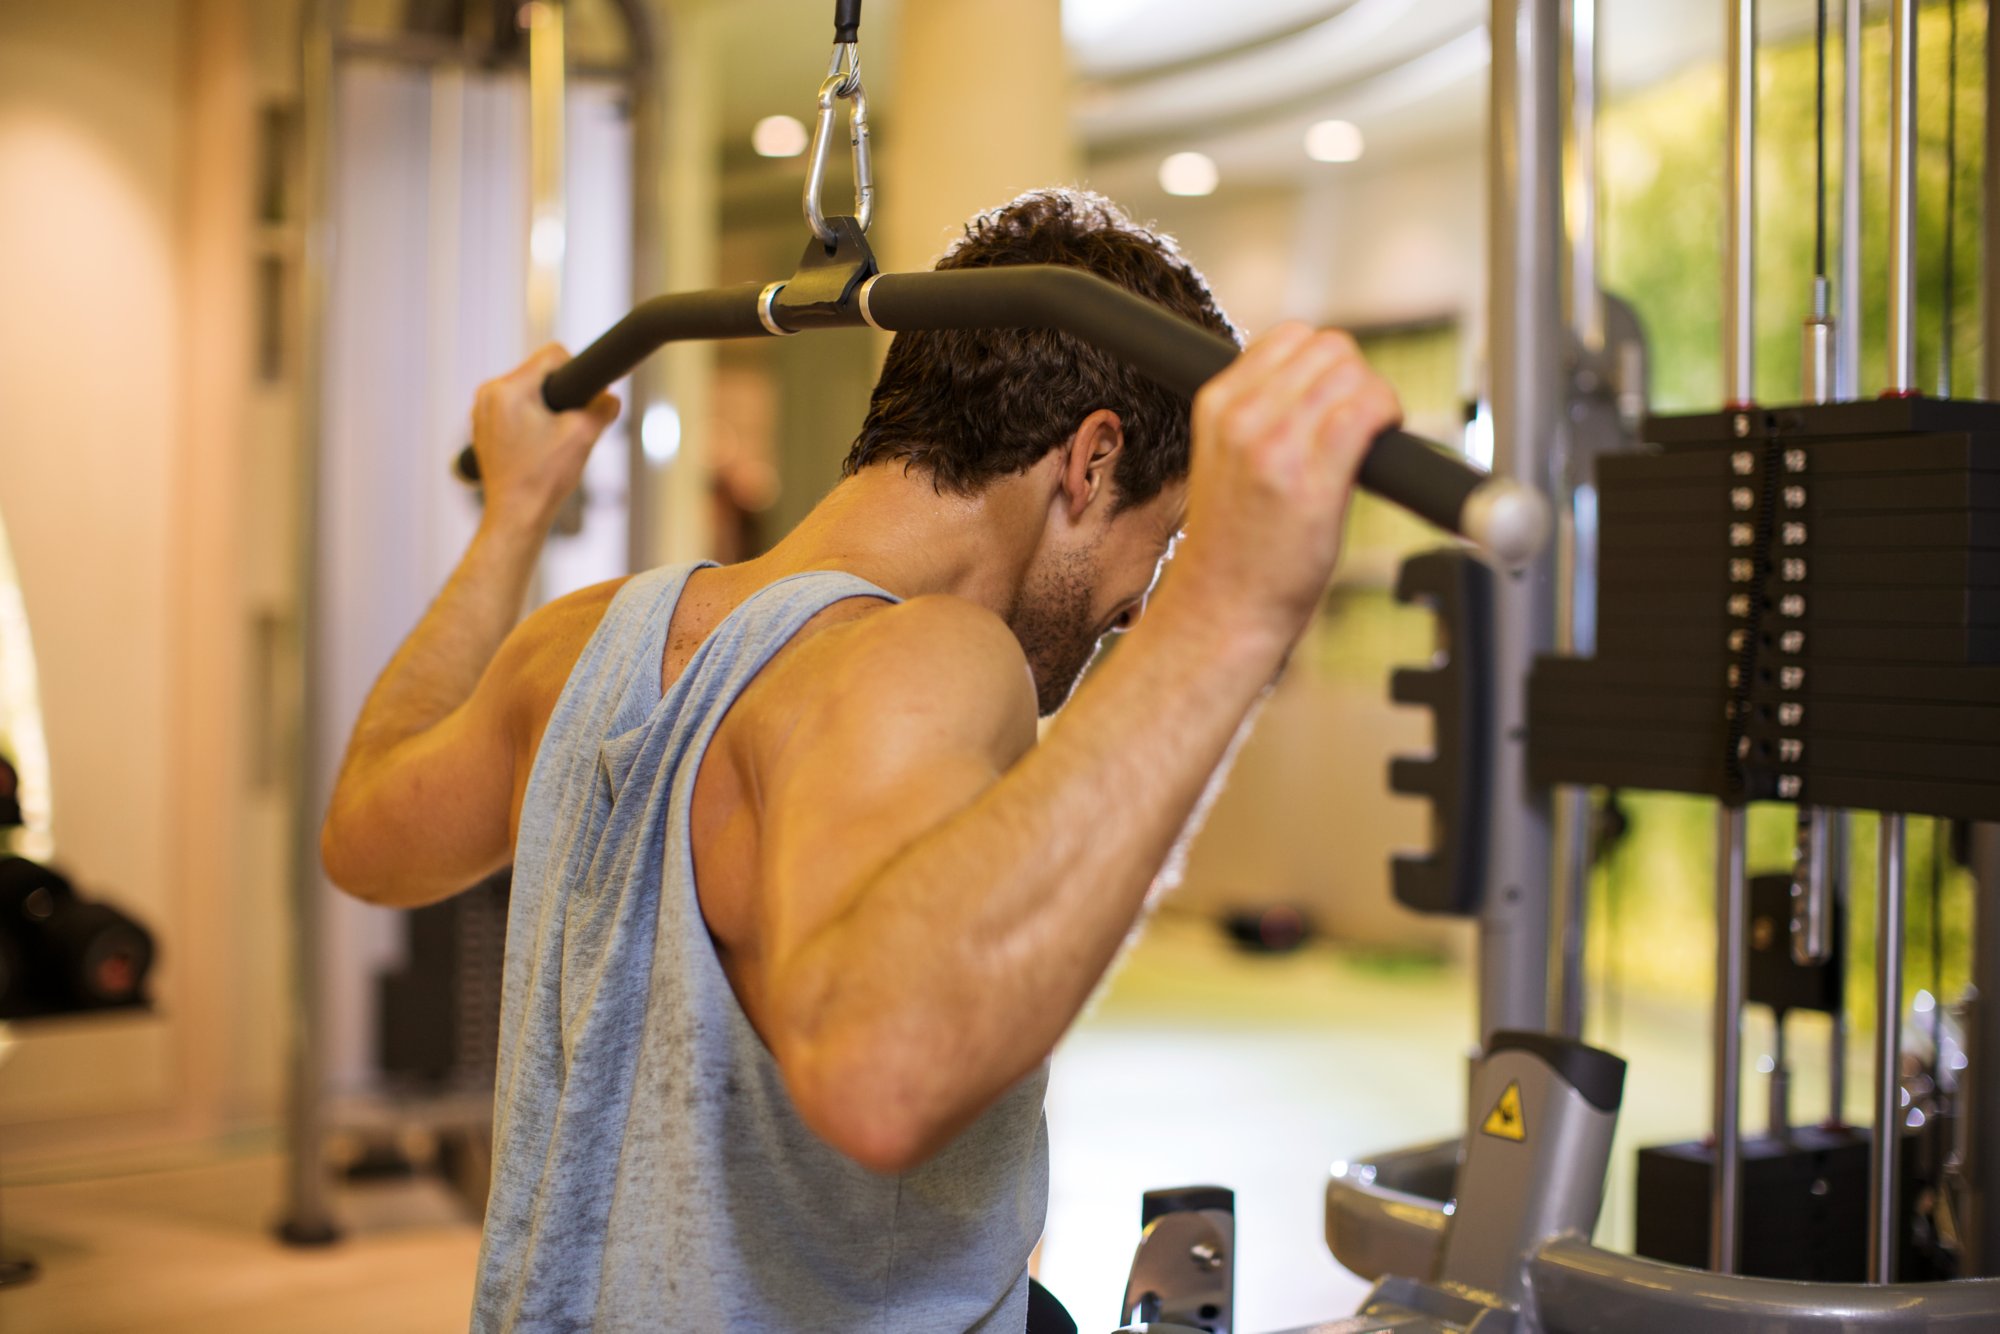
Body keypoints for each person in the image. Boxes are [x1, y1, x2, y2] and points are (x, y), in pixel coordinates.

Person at [320, 189, 1401, 1332]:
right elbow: (884, 1074)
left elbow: (364, 829)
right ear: (1089, 460)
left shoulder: (577, 645)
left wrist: (511, 515)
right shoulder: (924, 655)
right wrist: (1231, 606)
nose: (1141, 599)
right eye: (1164, 537)